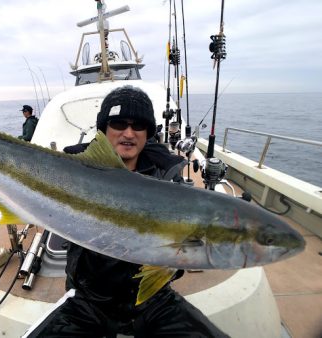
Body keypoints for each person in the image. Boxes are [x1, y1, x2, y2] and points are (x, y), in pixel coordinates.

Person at [24, 86, 228, 337]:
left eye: (139, 126)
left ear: (148, 133)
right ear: (104, 129)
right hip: (89, 300)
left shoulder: (167, 181)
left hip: (154, 301)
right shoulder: (74, 174)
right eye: (119, 123)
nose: (128, 133)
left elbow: (181, 255)